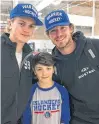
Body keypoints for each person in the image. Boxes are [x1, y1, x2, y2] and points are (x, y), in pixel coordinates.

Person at [44, 10, 99, 124]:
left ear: (71, 28)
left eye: (62, 28)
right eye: (53, 31)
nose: (59, 34)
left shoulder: (95, 47)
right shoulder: (52, 65)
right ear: (48, 35)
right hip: (80, 120)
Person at [1, 3, 43, 124]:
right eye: (21, 23)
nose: (26, 29)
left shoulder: (31, 57)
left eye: (31, 26)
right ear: (10, 23)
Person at [22, 52, 70, 124]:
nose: (44, 73)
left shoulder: (62, 90)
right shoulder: (29, 91)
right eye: (39, 69)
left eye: (48, 68)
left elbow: (65, 118)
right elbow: (26, 118)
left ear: (53, 69)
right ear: (34, 71)